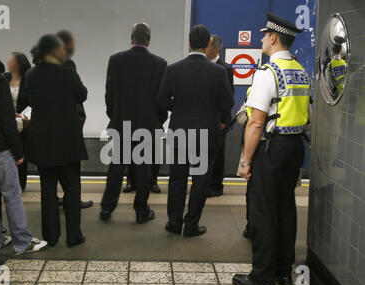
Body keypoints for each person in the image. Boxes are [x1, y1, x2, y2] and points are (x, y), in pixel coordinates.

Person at [233, 13, 311, 285]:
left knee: (263, 210)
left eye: (265, 35)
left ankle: (262, 276)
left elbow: (255, 121)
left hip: (271, 147)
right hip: (294, 147)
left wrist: (245, 161)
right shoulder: (300, 71)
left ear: (274, 38)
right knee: (285, 208)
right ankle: (283, 270)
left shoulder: (268, 73)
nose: (262, 38)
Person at [158, 25, 234, 238]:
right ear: (208, 44)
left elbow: (162, 100)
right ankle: (191, 226)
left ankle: (174, 223)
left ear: (189, 43)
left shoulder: (173, 69)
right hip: (207, 135)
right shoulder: (218, 72)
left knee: (177, 179)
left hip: (180, 132)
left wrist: (179, 107)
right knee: (201, 181)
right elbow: (228, 101)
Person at [100, 22, 168, 224]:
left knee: (116, 167)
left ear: (132, 39)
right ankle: (141, 211)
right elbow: (162, 99)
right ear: (148, 40)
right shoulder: (160, 64)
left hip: (122, 123)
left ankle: (107, 208)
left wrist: (114, 115)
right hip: (148, 125)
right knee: (144, 169)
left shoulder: (116, 60)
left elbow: (109, 93)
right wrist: (158, 120)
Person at [26, 34, 88, 248]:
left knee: (48, 189)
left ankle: (51, 237)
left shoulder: (31, 75)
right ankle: (74, 236)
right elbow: (83, 95)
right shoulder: (68, 74)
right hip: (68, 141)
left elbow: (28, 100)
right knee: (72, 188)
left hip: (43, 141)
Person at [0, 44, 47, 254]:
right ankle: (23, 241)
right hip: (0, 148)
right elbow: (6, 121)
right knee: (12, 195)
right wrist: (19, 152)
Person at [56, 30, 94, 210]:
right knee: (71, 172)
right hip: (69, 125)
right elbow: (81, 93)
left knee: (52, 174)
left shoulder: (39, 67)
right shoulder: (68, 65)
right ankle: (73, 201)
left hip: (49, 129)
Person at [205, 34, 235, 198]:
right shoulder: (203, 66)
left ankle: (216, 186)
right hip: (205, 118)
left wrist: (224, 121)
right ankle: (205, 183)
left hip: (219, 120)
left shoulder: (226, 68)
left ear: (216, 48)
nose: (205, 48)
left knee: (218, 155)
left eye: (208, 45)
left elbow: (228, 96)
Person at [5, 52, 32, 191]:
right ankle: (9, 182)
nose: (9, 63)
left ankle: (21, 184)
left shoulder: (28, 78)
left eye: (12, 61)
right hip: (8, 121)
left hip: (22, 121)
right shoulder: (6, 77)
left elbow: (32, 101)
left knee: (22, 152)